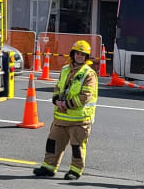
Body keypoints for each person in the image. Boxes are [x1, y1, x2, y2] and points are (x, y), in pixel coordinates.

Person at [33, 40, 98, 180]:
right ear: (73, 54)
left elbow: (86, 96)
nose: (80, 56)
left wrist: (66, 104)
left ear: (86, 58)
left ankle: (75, 171)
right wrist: (56, 100)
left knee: (77, 147)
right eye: (78, 53)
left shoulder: (89, 73)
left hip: (79, 119)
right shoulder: (65, 69)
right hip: (61, 117)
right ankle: (48, 167)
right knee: (53, 143)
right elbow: (58, 87)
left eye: (83, 54)